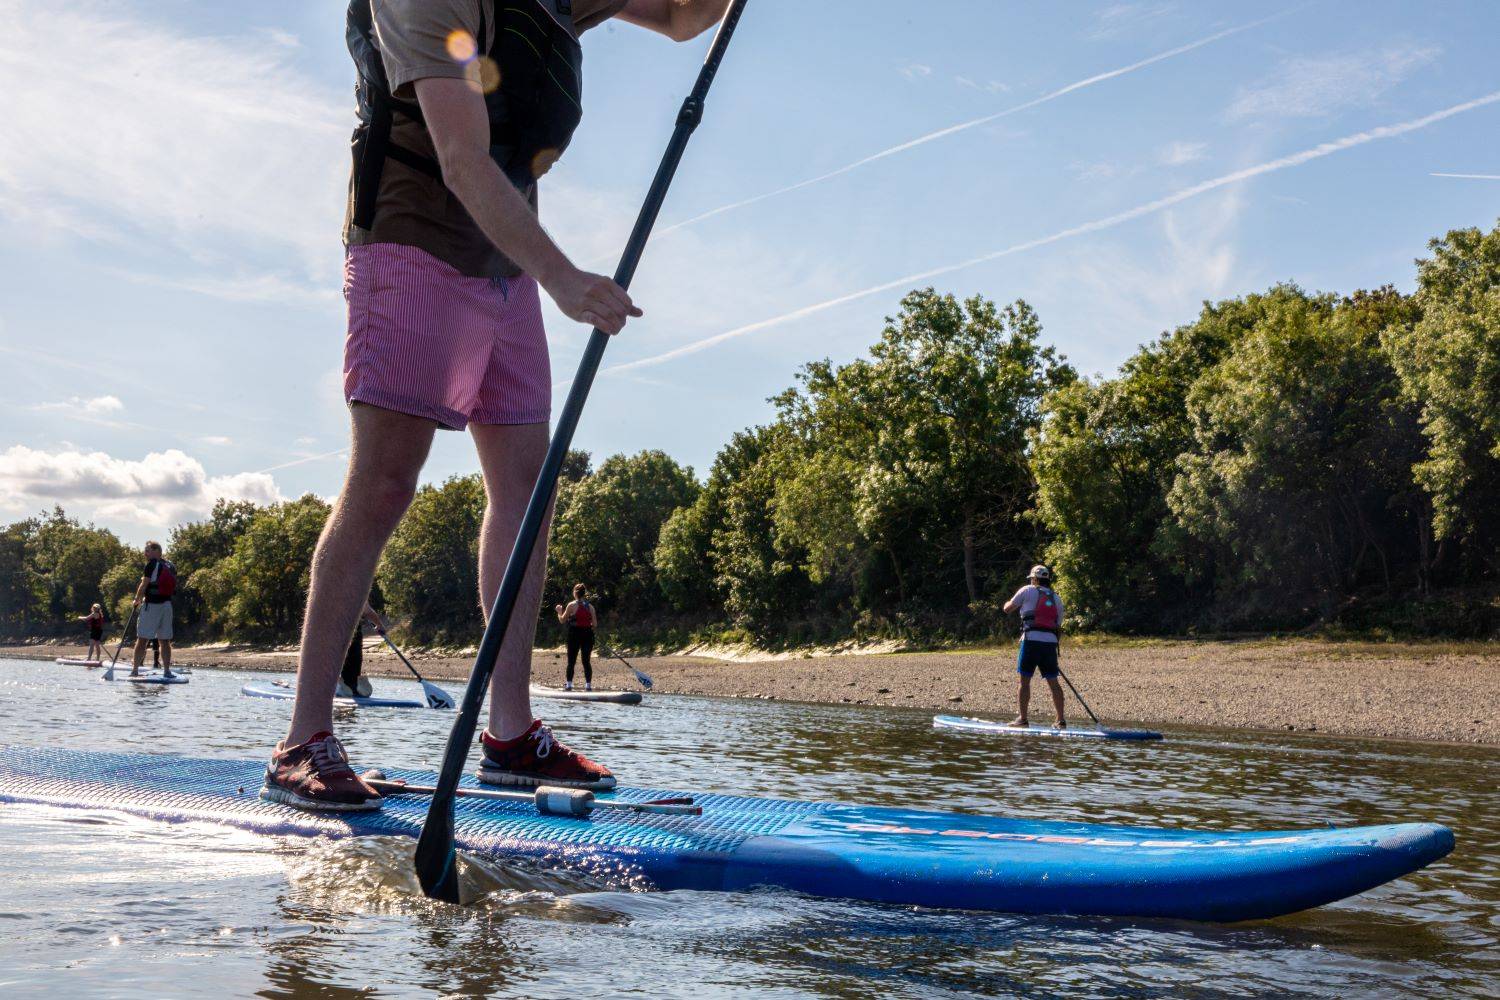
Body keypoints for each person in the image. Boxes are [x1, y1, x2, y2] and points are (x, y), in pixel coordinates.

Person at [261, 0, 734, 812]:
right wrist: (564, 278)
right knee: (385, 483)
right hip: (412, 243)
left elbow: (686, 17)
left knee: (527, 490)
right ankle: (304, 739)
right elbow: (462, 159)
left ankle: (509, 737)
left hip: (505, 269)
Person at [1002, 564, 1066, 729]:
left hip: (1030, 641)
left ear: (1035, 579)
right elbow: (1057, 625)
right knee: (1053, 682)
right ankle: (1060, 720)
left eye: (1032, 579)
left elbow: (1008, 609)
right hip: (1050, 644)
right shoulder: (1056, 598)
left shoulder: (1027, 590)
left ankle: (1023, 719)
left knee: (1024, 681)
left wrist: (1007, 602)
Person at [131, 541, 176, 679]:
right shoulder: (170, 565)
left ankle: (135, 670)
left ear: (156, 550)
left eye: (148, 550)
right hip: (167, 606)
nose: (145, 553)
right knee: (165, 640)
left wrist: (137, 600)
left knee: (142, 639)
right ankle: (167, 671)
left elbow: (144, 584)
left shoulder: (152, 564)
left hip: (152, 605)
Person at [338, 600, 385, 699]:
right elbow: (367, 610)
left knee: (353, 660)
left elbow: (366, 610)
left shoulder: (354, 590)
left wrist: (379, 625)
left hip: (351, 631)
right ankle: (343, 686)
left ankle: (350, 687)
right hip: (339, 629)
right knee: (349, 660)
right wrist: (379, 625)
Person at [555, 583, 597, 691]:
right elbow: (595, 625)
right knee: (586, 661)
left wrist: (559, 611)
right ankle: (588, 686)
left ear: (575, 593)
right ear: (584, 594)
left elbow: (562, 620)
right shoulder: (591, 607)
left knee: (571, 661)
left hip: (574, 635)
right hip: (587, 635)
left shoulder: (571, 605)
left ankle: (569, 685)